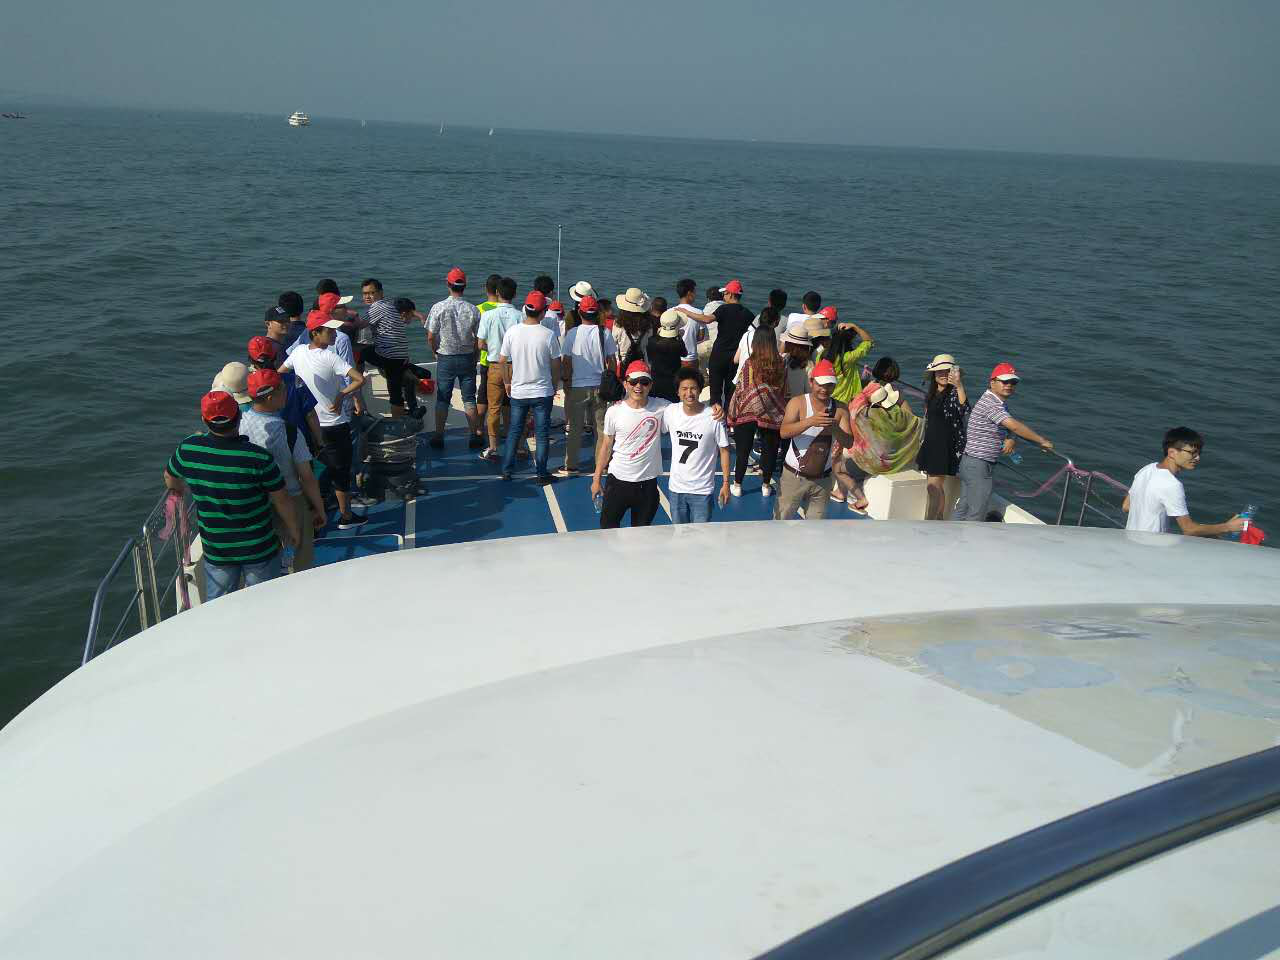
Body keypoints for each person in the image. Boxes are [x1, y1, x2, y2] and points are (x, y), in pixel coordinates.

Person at [163, 391, 299, 600]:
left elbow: (170, 477)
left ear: (204, 420)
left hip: (217, 549)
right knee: (264, 602)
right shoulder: (259, 458)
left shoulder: (188, 449)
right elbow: (282, 500)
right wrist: (293, 530)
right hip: (259, 547)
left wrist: (181, 489)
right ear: (239, 417)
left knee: (219, 605)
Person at [278, 305, 368, 528]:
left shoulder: (298, 352)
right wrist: (341, 395)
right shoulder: (330, 357)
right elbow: (359, 379)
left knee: (312, 471)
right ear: (315, 333)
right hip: (334, 424)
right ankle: (346, 516)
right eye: (329, 330)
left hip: (309, 426)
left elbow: (279, 374)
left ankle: (315, 515)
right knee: (341, 472)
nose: (335, 333)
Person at [241, 368, 327, 571]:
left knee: (264, 561)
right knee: (301, 555)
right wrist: (319, 509)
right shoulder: (289, 432)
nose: (286, 391)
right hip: (291, 498)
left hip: (256, 503)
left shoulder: (240, 426)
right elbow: (307, 477)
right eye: (282, 388)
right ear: (270, 397)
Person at [954, 363, 1054, 522]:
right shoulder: (992, 404)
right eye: (1005, 381)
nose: (1009, 385)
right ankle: (967, 538)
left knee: (964, 508)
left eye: (1013, 382)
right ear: (992, 382)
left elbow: (1009, 426)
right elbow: (1014, 426)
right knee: (976, 513)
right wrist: (1042, 441)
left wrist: (1011, 438)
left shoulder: (995, 402)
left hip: (971, 462)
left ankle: (951, 535)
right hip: (979, 464)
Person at [1123, 428, 1245, 536]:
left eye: (1199, 453)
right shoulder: (1172, 484)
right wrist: (1228, 527)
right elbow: (1189, 529)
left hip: (1130, 542)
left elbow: (1126, 506)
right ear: (1172, 452)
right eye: (1192, 453)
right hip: (1150, 547)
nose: (1197, 458)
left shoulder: (1147, 469)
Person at [776, 359, 856, 520]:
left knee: (816, 528)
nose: (824, 389)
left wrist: (835, 428)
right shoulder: (797, 403)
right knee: (781, 520)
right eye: (821, 384)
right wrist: (811, 421)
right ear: (811, 382)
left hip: (823, 480)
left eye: (829, 385)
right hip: (794, 476)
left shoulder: (840, 409)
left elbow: (849, 442)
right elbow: (784, 432)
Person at [497, 290, 562, 484]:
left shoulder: (512, 332)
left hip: (519, 392)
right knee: (541, 434)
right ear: (543, 312)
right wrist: (553, 385)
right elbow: (556, 364)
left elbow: (502, 360)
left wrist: (507, 382)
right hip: (542, 392)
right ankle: (541, 473)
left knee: (514, 431)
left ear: (525, 309)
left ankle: (506, 471)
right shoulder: (548, 335)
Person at [592, 361, 667, 528]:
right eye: (633, 382)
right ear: (625, 384)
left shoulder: (662, 407)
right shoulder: (614, 412)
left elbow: (688, 411)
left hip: (647, 485)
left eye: (644, 382)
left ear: (650, 385)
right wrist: (596, 479)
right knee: (607, 531)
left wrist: (714, 409)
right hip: (617, 483)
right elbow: (606, 445)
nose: (638, 386)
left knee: (641, 536)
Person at [557, 295, 616, 477]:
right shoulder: (604, 332)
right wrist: (610, 380)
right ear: (597, 313)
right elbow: (611, 360)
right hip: (600, 386)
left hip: (577, 387)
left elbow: (567, 361)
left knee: (575, 428)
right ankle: (602, 465)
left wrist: (567, 381)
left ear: (579, 312)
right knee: (601, 428)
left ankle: (571, 466)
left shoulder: (572, 334)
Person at [426, 266, 483, 450]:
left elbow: (431, 336)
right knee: (469, 399)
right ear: (464, 286)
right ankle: (474, 436)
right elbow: (478, 338)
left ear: (448, 284)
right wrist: (475, 355)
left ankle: (438, 436)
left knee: (443, 399)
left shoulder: (438, 307)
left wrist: (435, 351)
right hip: (467, 358)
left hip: (446, 358)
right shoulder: (473, 309)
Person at [664, 367, 731, 522]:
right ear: (677, 392)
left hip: (702, 491)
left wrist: (726, 483)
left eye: (693, 388)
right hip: (676, 489)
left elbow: (724, 450)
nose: (689, 393)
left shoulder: (713, 417)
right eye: (684, 389)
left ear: (700, 390)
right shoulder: (670, 412)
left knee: (701, 535)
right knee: (679, 533)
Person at [728, 326, 787, 499]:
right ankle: (766, 486)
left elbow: (742, 388)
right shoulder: (780, 363)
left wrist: (735, 409)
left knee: (743, 450)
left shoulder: (750, 363)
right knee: (770, 450)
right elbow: (783, 389)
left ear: (756, 342)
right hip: (772, 412)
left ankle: (737, 485)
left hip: (748, 411)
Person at [247, 335, 323, 455]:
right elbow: (310, 414)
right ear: (275, 356)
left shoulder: (249, 386)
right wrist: (320, 443)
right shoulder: (295, 380)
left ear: (251, 360)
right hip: (300, 443)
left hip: (264, 446)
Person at [916, 355, 969, 520]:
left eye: (948, 371)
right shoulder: (932, 394)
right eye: (940, 371)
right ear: (934, 374)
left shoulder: (954, 393)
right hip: (931, 444)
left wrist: (959, 385)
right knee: (936, 487)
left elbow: (964, 408)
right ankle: (938, 519)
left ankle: (929, 522)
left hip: (944, 446)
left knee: (932, 487)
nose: (944, 374)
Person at [476, 276, 521, 461]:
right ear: (514, 294)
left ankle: (493, 447)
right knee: (516, 408)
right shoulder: (520, 316)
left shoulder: (488, 315)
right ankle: (518, 446)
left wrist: (495, 349)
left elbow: (480, 344)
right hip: (516, 367)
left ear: (497, 293)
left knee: (493, 408)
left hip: (495, 365)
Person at [358, 278, 414, 417]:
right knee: (394, 388)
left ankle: (356, 378)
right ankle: (405, 374)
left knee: (359, 350)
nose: (368, 296)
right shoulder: (388, 305)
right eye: (365, 293)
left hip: (389, 356)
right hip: (400, 355)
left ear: (381, 293)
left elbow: (359, 325)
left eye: (372, 293)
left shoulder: (376, 307)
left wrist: (343, 321)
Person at [706, 279, 754, 411]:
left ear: (731, 294)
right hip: (735, 358)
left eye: (725, 293)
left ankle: (715, 415)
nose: (723, 296)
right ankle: (729, 416)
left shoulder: (723, 309)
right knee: (730, 391)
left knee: (715, 391)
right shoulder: (748, 313)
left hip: (718, 355)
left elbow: (707, 319)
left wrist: (687, 312)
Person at [823, 308, 876, 404]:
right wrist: (855, 326)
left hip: (827, 396)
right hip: (844, 400)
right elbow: (869, 342)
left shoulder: (822, 355)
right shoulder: (848, 357)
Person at [474, 273, 503, 443]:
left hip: (486, 359)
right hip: (506, 361)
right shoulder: (509, 310)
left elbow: (475, 338)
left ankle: (479, 427)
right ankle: (506, 428)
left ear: (486, 289)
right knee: (506, 398)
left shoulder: (478, 309)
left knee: (483, 394)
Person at [647, 310, 686, 402]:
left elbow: (649, 356)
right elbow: (684, 353)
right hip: (672, 380)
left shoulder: (652, 341)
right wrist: (680, 338)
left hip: (656, 378)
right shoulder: (677, 343)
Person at [613, 288, 654, 375]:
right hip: (642, 361)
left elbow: (614, 341)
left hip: (623, 362)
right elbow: (649, 338)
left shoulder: (618, 323)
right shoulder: (648, 323)